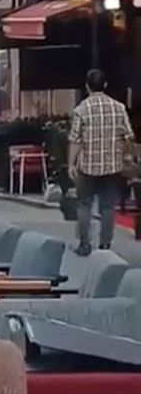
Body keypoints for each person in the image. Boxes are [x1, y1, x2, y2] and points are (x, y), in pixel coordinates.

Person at [69, 68, 134, 256]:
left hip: (87, 166)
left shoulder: (81, 110)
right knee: (107, 207)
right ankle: (105, 245)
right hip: (112, 166)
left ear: (87, 87)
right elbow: (128, 136)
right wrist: (128, 157)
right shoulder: (119, 108)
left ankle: (84, 244)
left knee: (84, 205)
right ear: (105, 85)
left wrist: (71, 163)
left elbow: (75, 140)